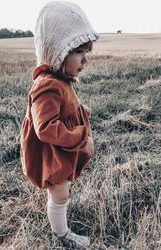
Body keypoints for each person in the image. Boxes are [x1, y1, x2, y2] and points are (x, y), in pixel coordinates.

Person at [20, 1, 99, 249]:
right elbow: (45, 127)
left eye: (87, 52)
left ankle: (60, 224)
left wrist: (78, 111)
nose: (85, 59)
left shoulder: (60, 78)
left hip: (58, 149)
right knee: (59, 192)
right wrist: (80, 138)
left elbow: (62, 107)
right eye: (78, 52)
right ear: (57, 51)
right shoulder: (47, 84)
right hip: (51, 152)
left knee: (61, 189)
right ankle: (63, 235)